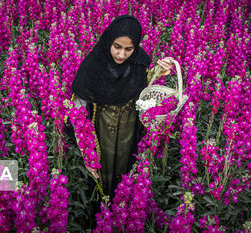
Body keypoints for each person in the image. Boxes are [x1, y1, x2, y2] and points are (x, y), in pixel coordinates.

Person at [71, 15, 174, 197]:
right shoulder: (93, 66)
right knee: (103, 173)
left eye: (128, 49)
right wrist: (87, 151)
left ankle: (123, 209)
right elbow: (78, 108)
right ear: (109, 40)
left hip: (129, 129)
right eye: (117, 47)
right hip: (102, 132)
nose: (121, 54)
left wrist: (161, 69)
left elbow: (145, 89)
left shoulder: (139, 61)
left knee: (127, 171)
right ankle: (102, 213)